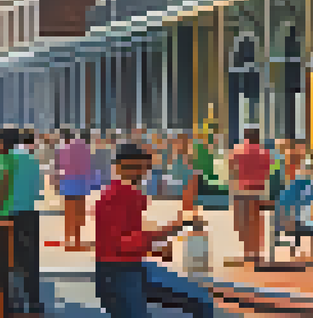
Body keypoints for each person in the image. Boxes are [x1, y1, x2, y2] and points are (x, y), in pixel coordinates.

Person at [92, 142, 215, 317]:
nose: (141, 174)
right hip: (121, 273)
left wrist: (155, 244)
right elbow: (122, 243)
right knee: (200, 302)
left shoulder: (121, 194)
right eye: (137, 168)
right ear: (121, 168)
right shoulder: (120, 196)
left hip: (123, 270)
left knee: (198, 301)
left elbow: (125, 238)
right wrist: (168, 232)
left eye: (143, 168)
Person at [0, 128, 44, 314]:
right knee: (30, 262)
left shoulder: (0, 159)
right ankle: (34, 302)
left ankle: (6, 303)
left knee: (3, 263)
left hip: (5, 215)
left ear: (2, 142)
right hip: (28, 214)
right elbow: (37, 190)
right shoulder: (31, 159)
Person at [226, 127, 272, 266]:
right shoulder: (264, 152)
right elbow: (267, 171)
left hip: (241, 190)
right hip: (258, 190)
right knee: (256, 222)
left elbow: (231, 169)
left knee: (243, 222)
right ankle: (256, 252)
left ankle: (247, 252)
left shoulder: (237, 151)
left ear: (245, 137)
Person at [57, 129, 95, 251]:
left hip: (68, 183)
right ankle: (77, 239)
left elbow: (61, 167)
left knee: (68, 212)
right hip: (81, 184)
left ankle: (68, 239)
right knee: (79, 212)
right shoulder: (85, 148)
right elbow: (88, 166)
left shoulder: (64, 149)